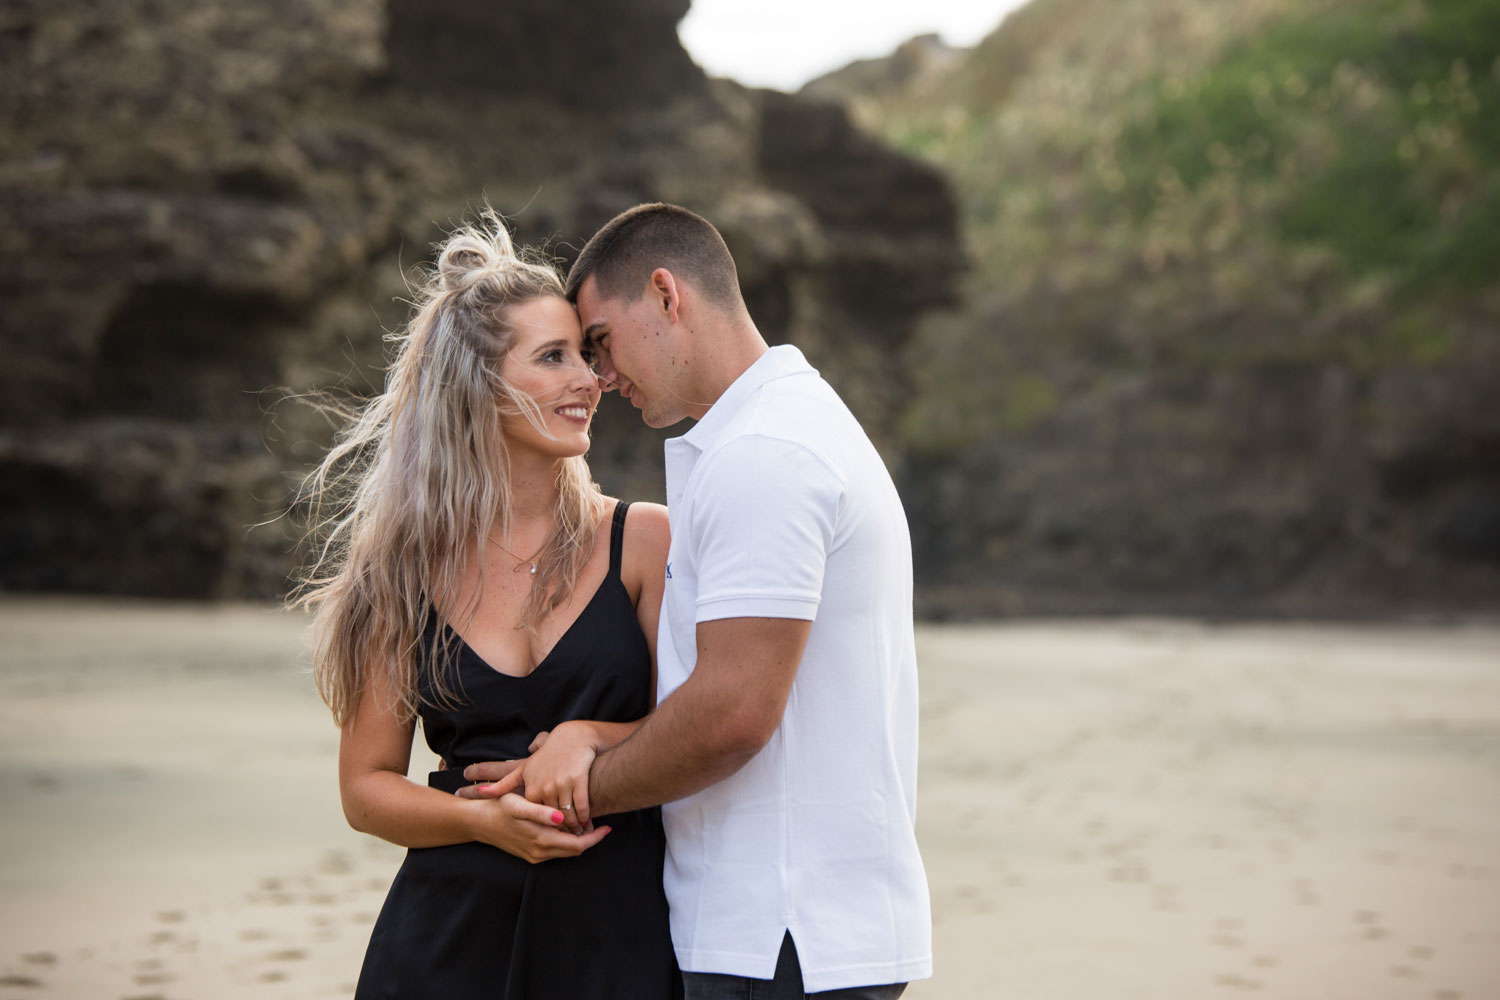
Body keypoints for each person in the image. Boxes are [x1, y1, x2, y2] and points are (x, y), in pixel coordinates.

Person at [463, 203, 932, 999]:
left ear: (666, 294)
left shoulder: (763, 454)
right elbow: (739, 694)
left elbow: (733, 715)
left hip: (778, 932)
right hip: (803, 926)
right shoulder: (780, 428)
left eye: (602, 342)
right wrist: (591, 735)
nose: (601, 377)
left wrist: (569, 789)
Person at [295, 212, 681, 999]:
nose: (592, 378)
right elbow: (366, 789)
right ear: (479, 387)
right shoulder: (400, 572)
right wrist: (482, 822)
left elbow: (701, 724)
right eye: (555, 357)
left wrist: (591, 737)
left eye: (588, 353)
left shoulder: (644, 542)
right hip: (443, 944)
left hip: (619, 939)